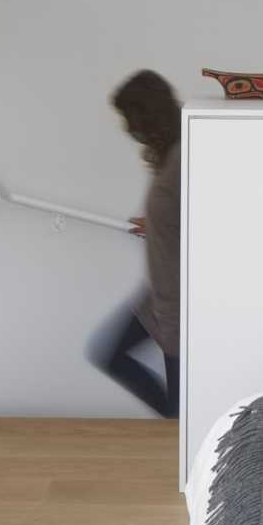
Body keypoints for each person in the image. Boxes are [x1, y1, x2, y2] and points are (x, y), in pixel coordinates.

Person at [86, 69, 181, 417]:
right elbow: (178, 211)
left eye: (128, 118)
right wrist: (154, 224)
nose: (128, 129)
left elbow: (206, 224)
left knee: (182, 418)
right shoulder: (170, 155)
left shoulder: (184, 157)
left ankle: (177, 430)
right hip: (157, 295)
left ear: (145, 115)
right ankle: (173, 423)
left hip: (179, 306)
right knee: (110, 355)